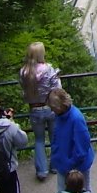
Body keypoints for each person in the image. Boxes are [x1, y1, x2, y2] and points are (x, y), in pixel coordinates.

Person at [18, 41, 62, 181]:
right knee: (55, 138)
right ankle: (55, 166)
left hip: (34, 109)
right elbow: (57, 88)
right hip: (50, 107)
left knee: (39, 140)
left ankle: (42, 171)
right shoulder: (48, 69)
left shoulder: (24, 72)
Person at [47, 88, 95, 192]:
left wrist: (70, 164)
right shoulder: (59, 116)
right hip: (63, 163)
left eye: (53, 107)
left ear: (61, 105)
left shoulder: (76, 118)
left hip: (77, 166)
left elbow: (82, 146)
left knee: (84, 192)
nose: (52, 110)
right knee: (62, 192)